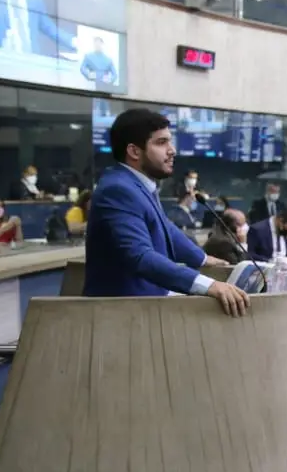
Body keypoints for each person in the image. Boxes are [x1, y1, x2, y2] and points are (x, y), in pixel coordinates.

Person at [82, 108, 246, 316]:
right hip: (121, 317)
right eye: (161, 143)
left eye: (170, 141)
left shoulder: (136, 184)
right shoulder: (117, 190)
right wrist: (209, 285)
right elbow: (140, 256)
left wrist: (202, 259)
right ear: (134, 151)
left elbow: (164, 227)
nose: (172, 150)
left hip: (145, 308)